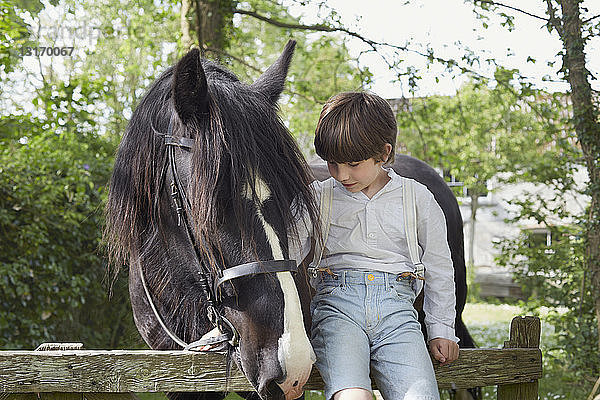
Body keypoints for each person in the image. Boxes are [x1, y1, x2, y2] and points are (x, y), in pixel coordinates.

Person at [289, 91, 459, 400]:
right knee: (352, 396)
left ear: (384, 152)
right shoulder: (316, 197)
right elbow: (284, 257)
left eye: (353, 163)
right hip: (337, 311)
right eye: (332, 163)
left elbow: (439, 266)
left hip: (399, 314)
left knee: (420, 396)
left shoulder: (417, 198)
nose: (342, 175)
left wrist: (441, 328)